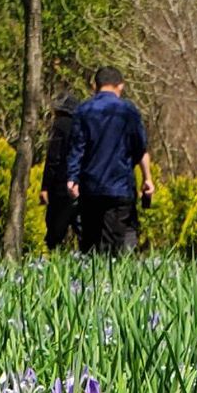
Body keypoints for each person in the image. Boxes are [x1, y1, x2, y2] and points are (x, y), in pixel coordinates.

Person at [65, 66, 154, 256]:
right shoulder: (128, 111)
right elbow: (140, 149)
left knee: (90, 245)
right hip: (120, 187)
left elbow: (76, 148)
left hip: (90, 188)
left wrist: (72, 178)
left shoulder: (83, 110)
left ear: (95, 86)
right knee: (115, 246)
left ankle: (91, 274)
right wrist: (147, 178)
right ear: (120, 86)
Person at [41, 94, 81, 249]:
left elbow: (53, 158)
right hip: (81, 185)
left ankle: (53, 257)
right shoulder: (83, 126)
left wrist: (45, 186)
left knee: (54, 232)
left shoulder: (60, 126)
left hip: (61, 185)